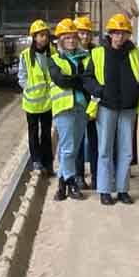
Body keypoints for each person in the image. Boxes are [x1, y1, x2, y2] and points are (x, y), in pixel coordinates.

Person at [76, 13, 139, 207]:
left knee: (126, 151)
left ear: (128, 35)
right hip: (106, 107)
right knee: (105, 150)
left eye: (123, 33)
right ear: (110, 34)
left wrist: (136, 94)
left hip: (128, 108)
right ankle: (105, 190)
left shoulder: (134, 54)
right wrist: (99, 91)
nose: (119, 37)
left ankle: (122, 190)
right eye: (116, 33)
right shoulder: (98, 53)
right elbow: (87, 78)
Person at [46, 19, 90, 202]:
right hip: (64, 108)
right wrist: (79, 79)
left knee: (74, 147)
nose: (71, 41)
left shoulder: (85, 57)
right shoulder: (54, 60)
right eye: (67, 38)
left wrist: (77, 79)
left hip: (82, 107)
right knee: (67, 148)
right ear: (60, 40)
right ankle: (71, 183)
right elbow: (61, 81)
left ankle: (61, 185)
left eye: (73, 37)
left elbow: (89, 80)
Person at [16, 18, 56, 176]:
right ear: (34, 37)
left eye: (46, 35)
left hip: (48, 102)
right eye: (41, 35)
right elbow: (22, 76)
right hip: (32, 103)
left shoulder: (53, 53)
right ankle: (36, 161)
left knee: (46, 133)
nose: (44, 38)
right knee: (33, 133)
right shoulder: (26, 55)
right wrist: (28, 89)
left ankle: (48, 163)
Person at [72, 16, 97, 185]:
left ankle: (96, 176)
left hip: (94, 101)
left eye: (88, 33)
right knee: (79, 141)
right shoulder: (71, 54)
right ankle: (79, 176)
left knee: (95, 140)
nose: (85, 36)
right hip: (78, 102)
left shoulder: (97, 52)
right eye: (81, 33)